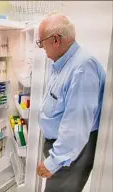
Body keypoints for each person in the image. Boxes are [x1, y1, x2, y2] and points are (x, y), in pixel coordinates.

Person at [36, 13, 106, 192]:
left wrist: (54, 161)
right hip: (65, 150)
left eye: (41, 42)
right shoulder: (64, 63)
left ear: (56, 39)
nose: (41, 47)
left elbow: (77, 125)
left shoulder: (82, 68)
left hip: (71, 154)